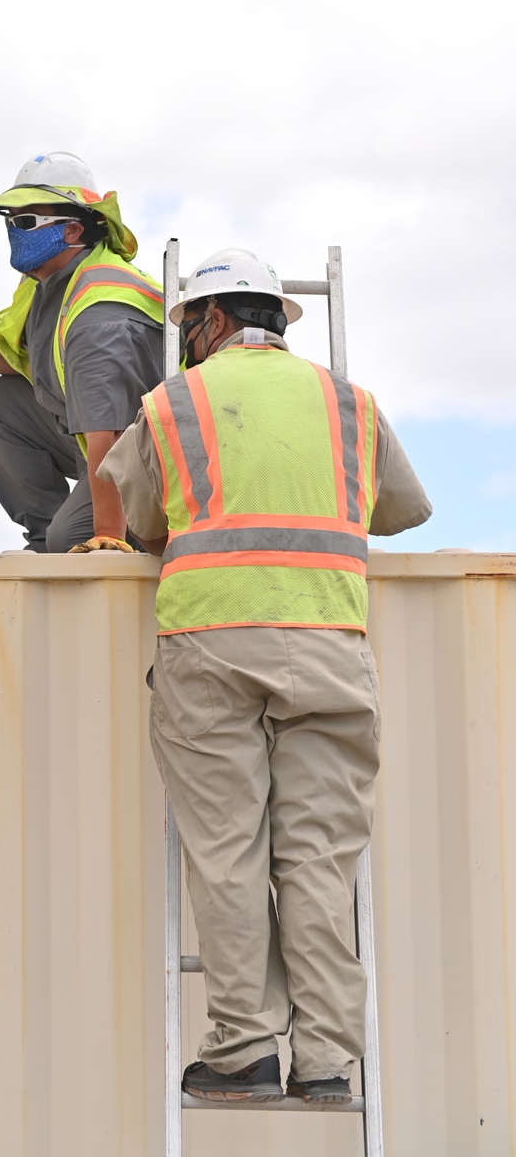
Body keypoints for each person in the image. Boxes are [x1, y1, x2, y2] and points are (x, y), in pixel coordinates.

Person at [98, 247, 431, 1106]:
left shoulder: (173, 404)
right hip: (329, 645)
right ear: (279, 318)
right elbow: (402, 509)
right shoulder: (350, 404)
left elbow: (137, 521)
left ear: (208, 322)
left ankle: (242, 1048)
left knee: (229, 851)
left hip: (210, 647)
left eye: (188, 330)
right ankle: (326, 1061)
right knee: (319, 857)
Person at [0, 152, 164, 553]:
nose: (13, 231)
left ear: (72, 231)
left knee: (73, 541)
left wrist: (106, 539)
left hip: (147, 454)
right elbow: (34, 370)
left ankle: (123, 536)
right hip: (96, 429)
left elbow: (109, 432)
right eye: (10, 221)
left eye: (25, 222)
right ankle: (45, 543)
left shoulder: (98, 311)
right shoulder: (49, 280)